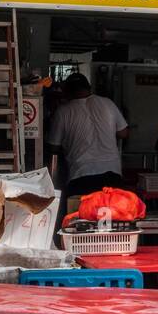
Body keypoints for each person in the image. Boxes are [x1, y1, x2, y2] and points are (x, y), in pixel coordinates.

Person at [45, 72, 129, 214]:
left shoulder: (64, 111)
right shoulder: (108, 103)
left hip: (82, 177)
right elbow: (124, 133)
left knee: (81, 222)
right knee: (113, 220)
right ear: (89, 87)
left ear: (68, 92)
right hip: (113, 175)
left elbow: (53, 145)